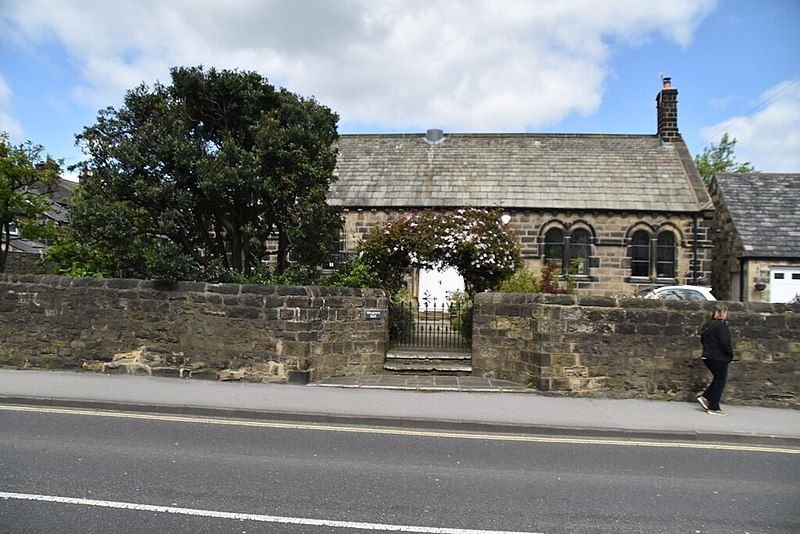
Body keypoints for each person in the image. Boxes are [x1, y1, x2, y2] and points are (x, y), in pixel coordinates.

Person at [697, 303, 734, 416]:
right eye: (725, 312)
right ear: (722, 313)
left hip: (707, 356)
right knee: (720, 381)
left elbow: (703, 340)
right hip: (718, 357)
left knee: (718, 379)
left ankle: (706, 397)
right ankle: (713, 406)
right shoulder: (721, 326)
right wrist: (730, 354)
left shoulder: (707, 325)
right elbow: (725, 343)